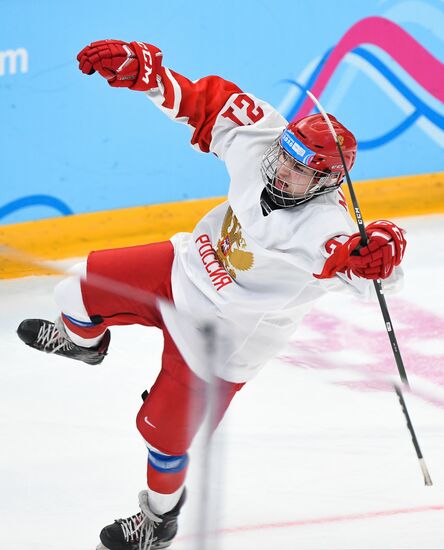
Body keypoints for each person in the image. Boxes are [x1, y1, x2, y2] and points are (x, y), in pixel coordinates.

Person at [17, 39, 407, 550]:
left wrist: (383, 252)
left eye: (299, 168)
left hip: (225, 337)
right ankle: (86, 344)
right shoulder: (265, 139)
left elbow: (360, 265)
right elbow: (203, 102)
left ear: (328, 180)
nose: (281, 169)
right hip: (182, 268)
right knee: (73, 288)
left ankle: (158, 522)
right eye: (285, 154)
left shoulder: (325, 226)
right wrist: (147, 73)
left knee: (164, 438)